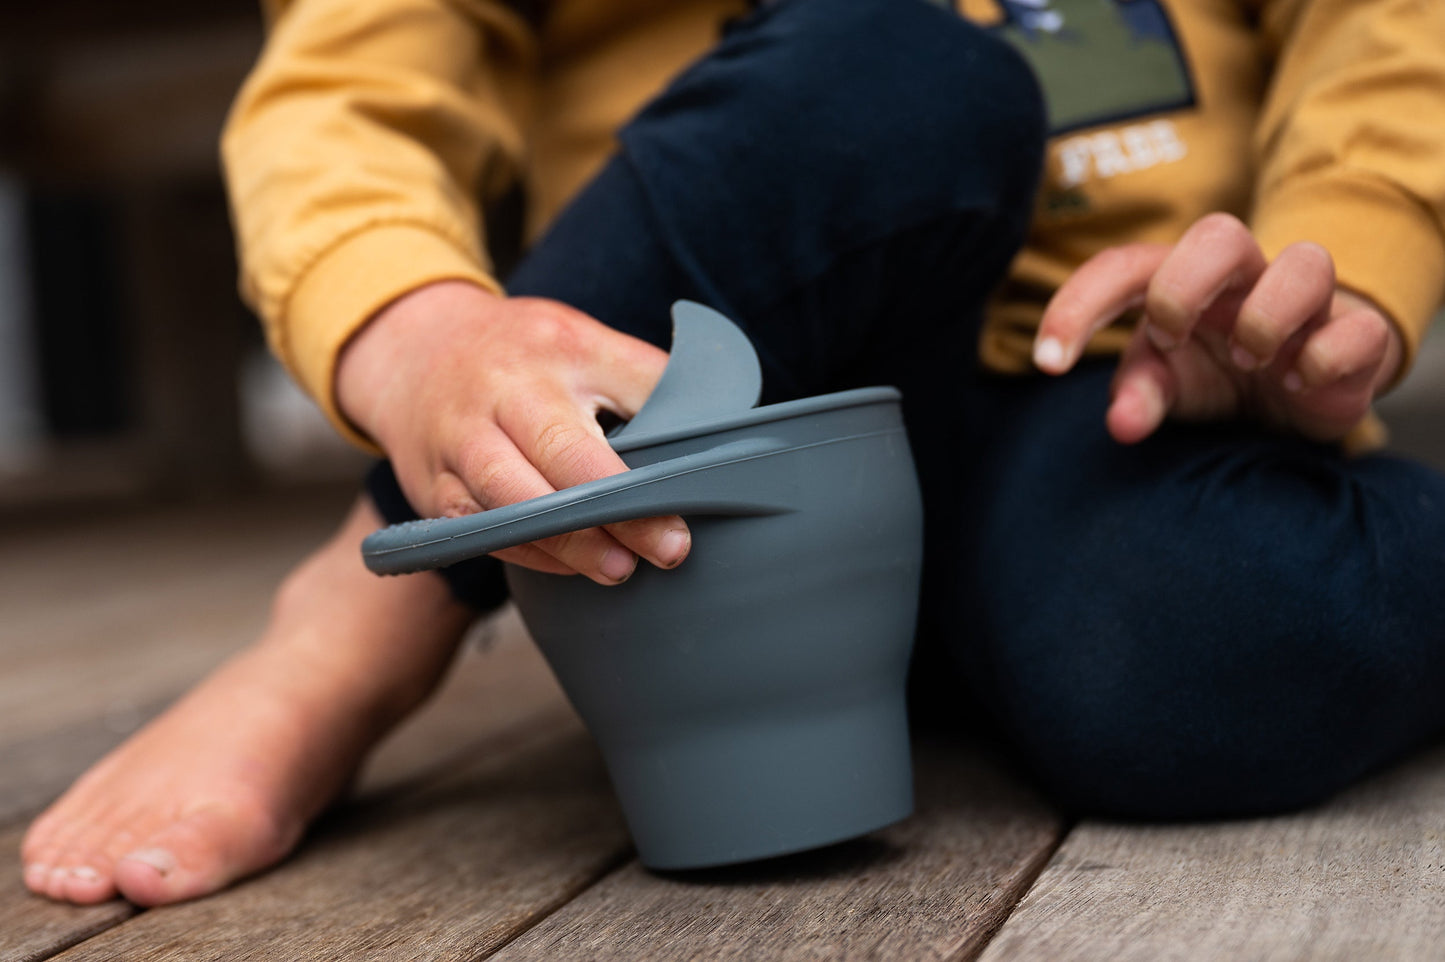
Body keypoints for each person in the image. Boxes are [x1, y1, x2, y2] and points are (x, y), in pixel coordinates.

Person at [22, 0, 1445, 906]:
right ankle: (369, 601)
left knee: (1247, 635)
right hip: (685, 402)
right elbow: (347, 83)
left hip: (1099, 375)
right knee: (894, 74)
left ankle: (1009, 627)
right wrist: (414, 334)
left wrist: (1338, 268)